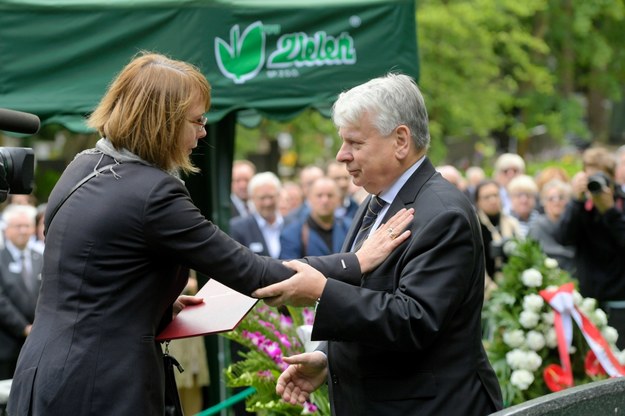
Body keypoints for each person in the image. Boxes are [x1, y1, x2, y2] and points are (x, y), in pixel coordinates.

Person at [7, 52, 414, 416]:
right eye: (198, 120)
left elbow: (86, 280)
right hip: (100, 385)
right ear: (162, 121)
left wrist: (152, 301)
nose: (203, 132)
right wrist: (354, 262)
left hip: (42, 371)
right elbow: (254, 272)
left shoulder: (83, 165)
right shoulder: (152, 191)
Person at [254, 73, 503, 415]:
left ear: (401, 140)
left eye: (355, 143)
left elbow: (414, 320)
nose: (343, 156)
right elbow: (369, 294)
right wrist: (328, 356)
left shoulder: (443, 214)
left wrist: (323, 291)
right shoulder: (374, 203)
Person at [556, 146, 625, 349]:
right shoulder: (581, 207)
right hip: (590, 300)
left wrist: (610, 211)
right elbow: (564, 237)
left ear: (612, 177)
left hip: (620, 301)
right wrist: (576, 202)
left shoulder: (620, 203)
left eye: (600, 175)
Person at [0, 204, 42, 381]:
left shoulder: (40, 257)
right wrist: (24, 328)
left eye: (27, 226)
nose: (23, 231)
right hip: (6, 345)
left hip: (36, 343)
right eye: (18, 226)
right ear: (6, 229)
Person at [279, 176, 350, 258]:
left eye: (330, 195)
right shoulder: (292, 234)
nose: (325, 200)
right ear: (309, 199)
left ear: (338, 199)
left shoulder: (349, 228)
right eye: (319, 196)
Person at [474, 180, 523, 292]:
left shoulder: (511, 223)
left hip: (513, 285)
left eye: (495, 195)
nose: (493, 200)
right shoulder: (474, 227)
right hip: (485, 290)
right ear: (478, 201)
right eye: (486, 197)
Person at [230, 171, 284, 258]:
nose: (267, 203)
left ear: (279, 195)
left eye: (271, 197)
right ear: (252, 198)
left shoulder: (292, 224)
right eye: (262, 198)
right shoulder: (238, 228)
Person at [527, 179, 575, 275]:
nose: (556, 202)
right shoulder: (538, 227)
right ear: (543, 202)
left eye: (561, 198)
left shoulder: (574, 225)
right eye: (551, 198)